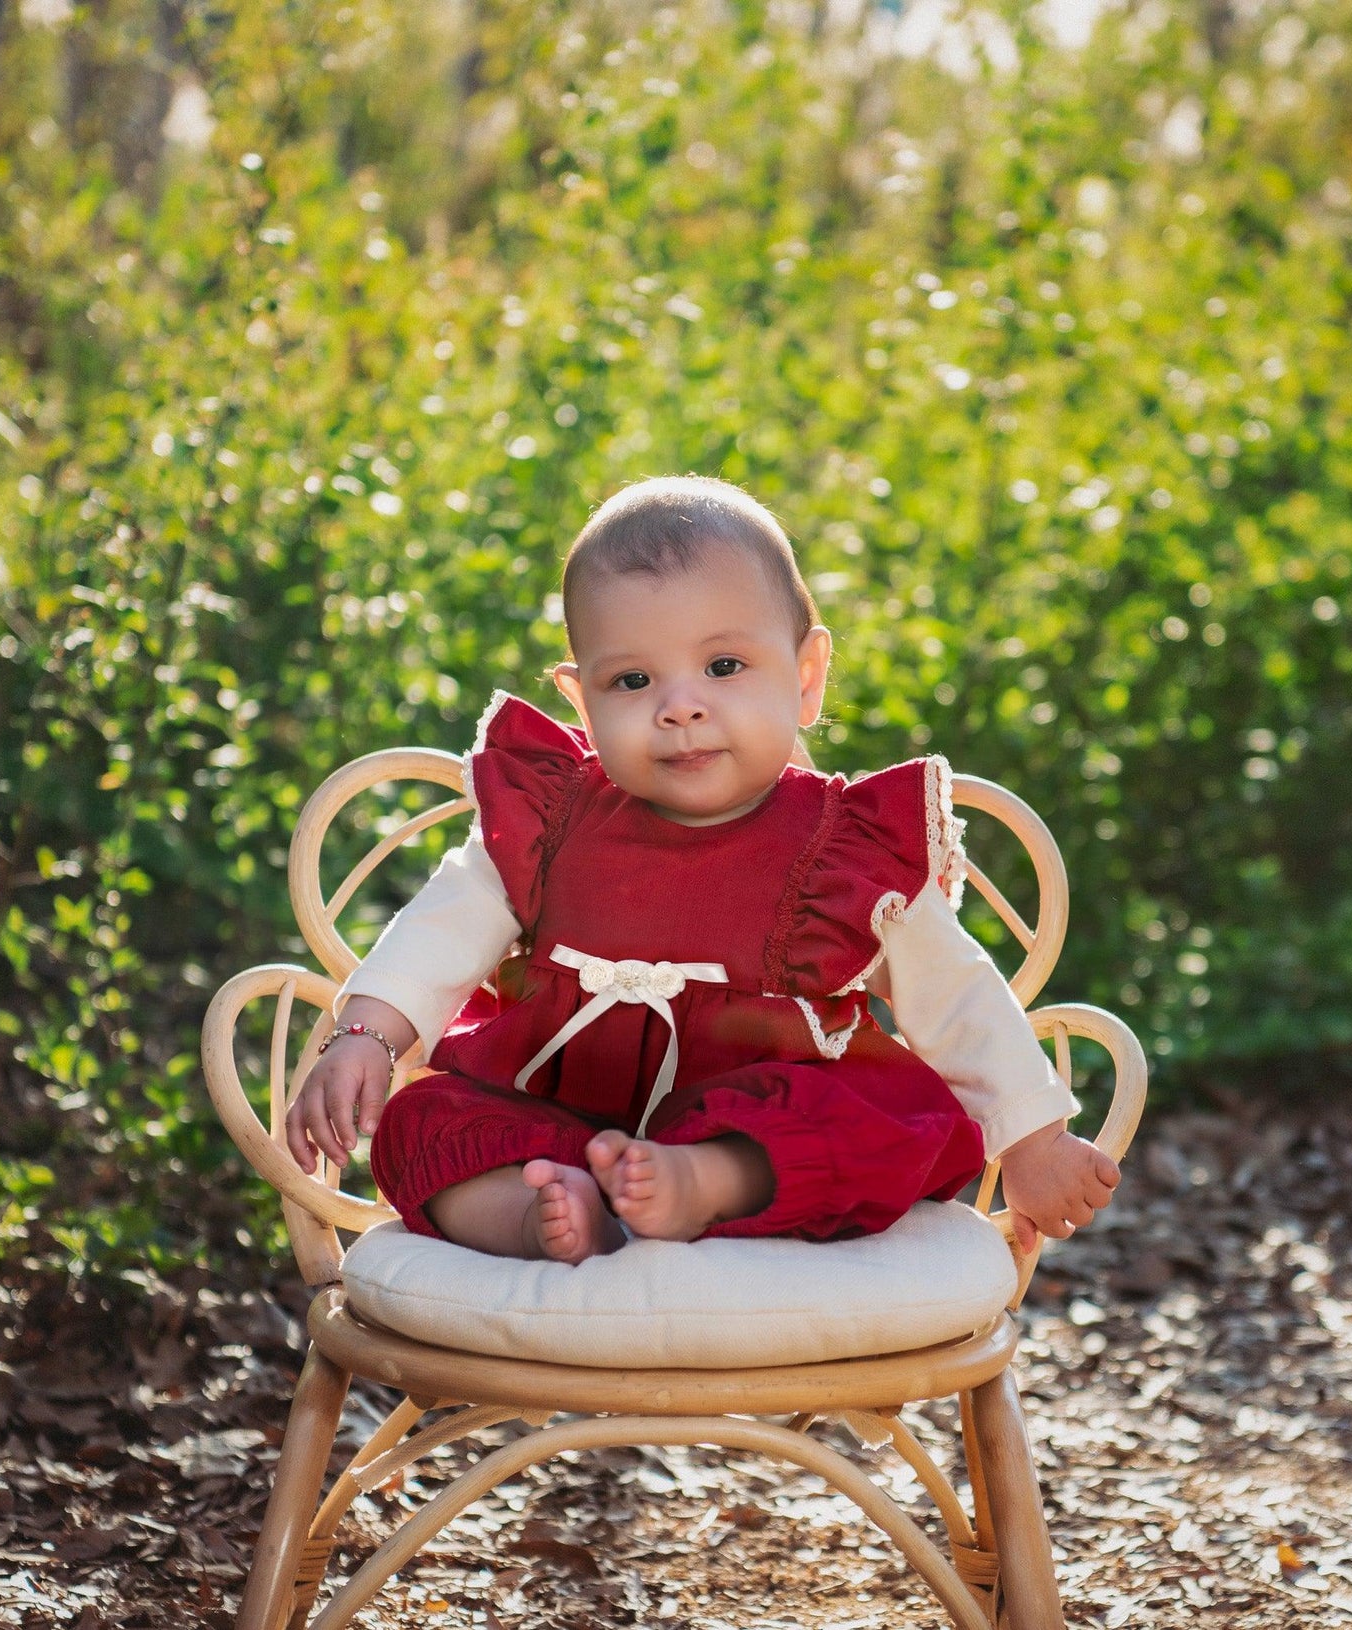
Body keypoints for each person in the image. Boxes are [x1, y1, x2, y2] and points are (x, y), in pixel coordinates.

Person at [285, 476, 1119, 1264]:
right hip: (556, 1114)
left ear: (805, 677)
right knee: (421, 1122)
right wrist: (364, 1035)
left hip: (754, 1117)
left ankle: (706, 1183)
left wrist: (1034, 1141)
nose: (679, 706)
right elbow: (440, 929)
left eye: (723, 667)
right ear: (583, 703)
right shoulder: (553, 820)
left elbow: (960, 997)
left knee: (875, 1121)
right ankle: (541, 1213)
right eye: (632, 679)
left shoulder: (841, 849)